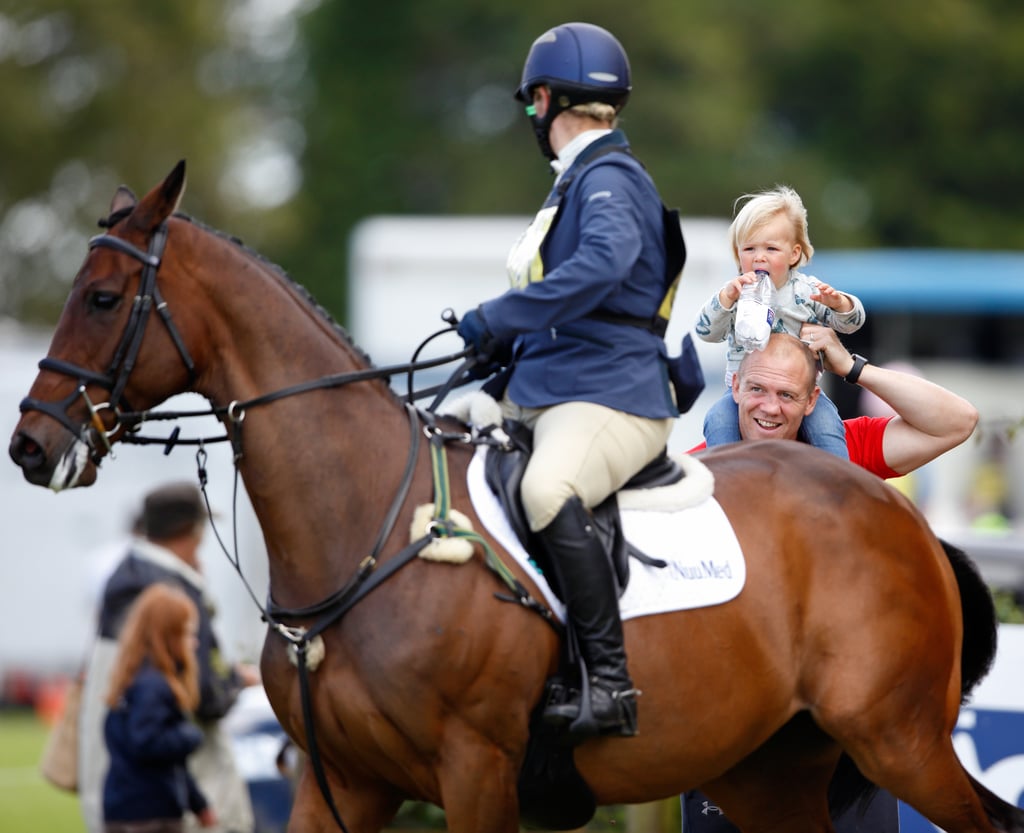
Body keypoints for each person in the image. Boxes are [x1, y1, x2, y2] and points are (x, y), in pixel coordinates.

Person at [455, 21, 681, 739]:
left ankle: (610, 681)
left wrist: (500, 312)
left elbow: (603, 268)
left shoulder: (610, 178)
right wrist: (497, 350)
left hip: (613, 393)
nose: (533, 119)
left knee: (545, 488)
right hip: (551, 383)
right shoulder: (575, 183)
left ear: (546, 100)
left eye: (531, 107)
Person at [681, 328, 979, 833]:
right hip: (733, 744)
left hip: (846, 743)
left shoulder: (848, 454)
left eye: (787, 394)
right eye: (757, 389)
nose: (769, 408)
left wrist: (853, 367)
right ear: (733, 385)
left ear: (812, 399)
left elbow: (958, 420)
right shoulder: (691, 475)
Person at [79, 483, 257, 833]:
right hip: (167, 799)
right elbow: (206, 695)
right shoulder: (174, 592)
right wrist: (237, 680)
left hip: (117, 791)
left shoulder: (126, 575)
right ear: (190, 531)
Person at [695, 185, 866, 459]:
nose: (759, 256)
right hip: (742, 393)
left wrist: (840, 304)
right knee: (717, 419)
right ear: (738, 255)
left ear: (794, 254)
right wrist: (725, 298)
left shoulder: (805, 291)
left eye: (771, 248)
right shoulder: (736, 294)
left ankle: (838, 486)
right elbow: (705, 331)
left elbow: (852, 324)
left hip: (798, 393)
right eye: (749, 248)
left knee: (827, 426)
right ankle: (729, 483)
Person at [103, 583, 216, 833]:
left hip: (121, 808)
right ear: (167, 635)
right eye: (188, 634)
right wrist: (191, 735)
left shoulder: (131, 681)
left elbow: (171, 764)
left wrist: (198, 804)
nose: (195, 643)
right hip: (150, 815)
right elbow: (146, 741)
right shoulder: (155, 687)